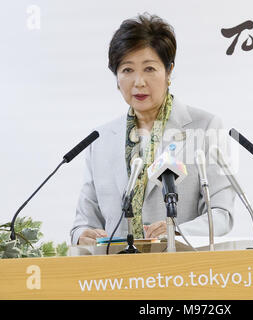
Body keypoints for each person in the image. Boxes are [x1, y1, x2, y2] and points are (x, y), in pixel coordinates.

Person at [70, 13, 235, 246]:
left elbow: (221, 214)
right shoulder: (100, 139)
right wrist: (81, 235)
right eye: (127, 70)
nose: (138, 82)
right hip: (114, 277)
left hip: (182, 272)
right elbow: (84, 222)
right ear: (117, 79)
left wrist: (176, 231)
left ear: (168, 72)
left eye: (149, 69)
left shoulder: (205, 127)